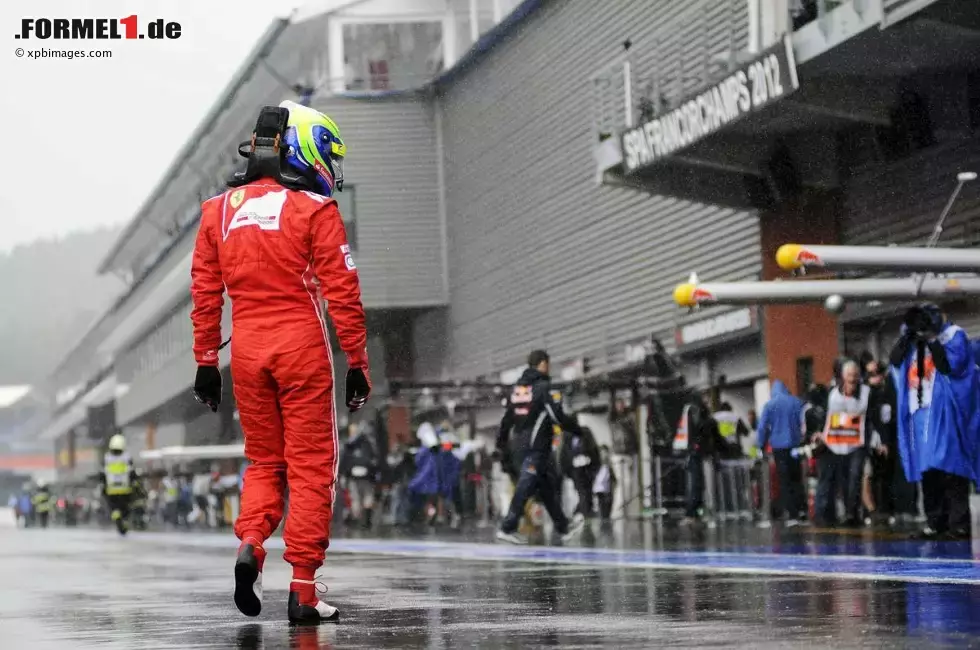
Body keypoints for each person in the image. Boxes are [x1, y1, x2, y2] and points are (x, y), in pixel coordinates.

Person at [190, 100, 371, 625]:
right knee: (313, 467)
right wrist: (358, 361)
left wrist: (206, 361)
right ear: (303, 147)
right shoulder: (314, 210)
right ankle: (304, 591)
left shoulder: (216, 212)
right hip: (300, 347)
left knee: (265, 462)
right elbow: (343, 292)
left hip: (245, 352)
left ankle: (251, 542)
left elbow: (205, 293)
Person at [890, 303, 980, 540]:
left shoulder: (953, 336)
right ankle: (935, 522)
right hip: (919, 414)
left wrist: (932, 338)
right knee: (928, 471)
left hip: (944, 412)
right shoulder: (911, 342)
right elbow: (895, 361)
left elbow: (951, 367)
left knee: (951, 467)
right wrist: (908, 336)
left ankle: (958, 524)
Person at [495, 350, 587, 544]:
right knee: (526, 485)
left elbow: (506, 420)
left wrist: (501, 445)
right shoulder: (543, 388)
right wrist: (577, 430)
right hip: (535, 448)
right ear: (543, 364)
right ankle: (507, 526)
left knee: (546, 487)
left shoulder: (518, 390)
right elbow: (557, 417)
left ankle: (563, 527)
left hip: (520, 446)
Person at [815, 360, 870, 527]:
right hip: (836, 444)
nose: (852, 378)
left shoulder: (866, 392)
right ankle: (843, 513)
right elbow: (826, 415)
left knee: (854, 478)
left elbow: (872, 416)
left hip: (856, 443)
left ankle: (852, 513)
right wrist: (820, 432)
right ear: (842, 377)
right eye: (849, 375)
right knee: (842, 479)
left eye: (855, 375)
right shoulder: (832, 393)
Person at [757, 380, 807, 525]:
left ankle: (792, 514)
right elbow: (803, 422)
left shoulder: (770, 405)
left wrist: (761, 445)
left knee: (785, 481)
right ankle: (802, 510)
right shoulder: (797, 402)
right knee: (797, 478)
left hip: (779, 448)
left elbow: (762, 428)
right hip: (796, 445)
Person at [674, 392, 722, 523]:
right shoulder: (703, 417)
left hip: (697, 454)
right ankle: (703, 511)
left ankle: (694, 513)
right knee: (702, 484)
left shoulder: (692, 413)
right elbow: (714, 437)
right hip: (703, 454)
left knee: (696, 484)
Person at [340, 423, 379, 529]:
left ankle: (357, 521)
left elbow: (345, 460)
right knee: (367, 497)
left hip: (353, 475)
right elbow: (374, 459)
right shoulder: (368, 443)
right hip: (367, 475)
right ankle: (366, 521)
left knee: (356, 498)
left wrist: (343, 474)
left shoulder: (349, 445)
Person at [100, 434, 138, 535]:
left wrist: (103, 486)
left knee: (114, 508)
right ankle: (123, 522)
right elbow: (132, 473)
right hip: (125, 489)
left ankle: (118, 519)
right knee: (126, 508)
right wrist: (135, 482)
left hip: (111, 489)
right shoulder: (127, 457)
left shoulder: (106, 458)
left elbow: (102, 474)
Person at [559, 425, 600, 518]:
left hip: (587, 470)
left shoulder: (586, 434)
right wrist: (569, 467)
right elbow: (564, 457)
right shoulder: (567, 438)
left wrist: (589, 461)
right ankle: (585, 514)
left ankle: (586, 513)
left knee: (586, 493)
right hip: (575, 472)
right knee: (582, 492)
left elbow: (594, 453)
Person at [593, 445, 617, 522]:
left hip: (608, 492)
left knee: (607, 513)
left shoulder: (609, 466)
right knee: (602, 513)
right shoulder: (596, 466)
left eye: (605, 453)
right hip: (599, 492)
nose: (604, 455)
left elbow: (614, 479)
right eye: (602, 453)